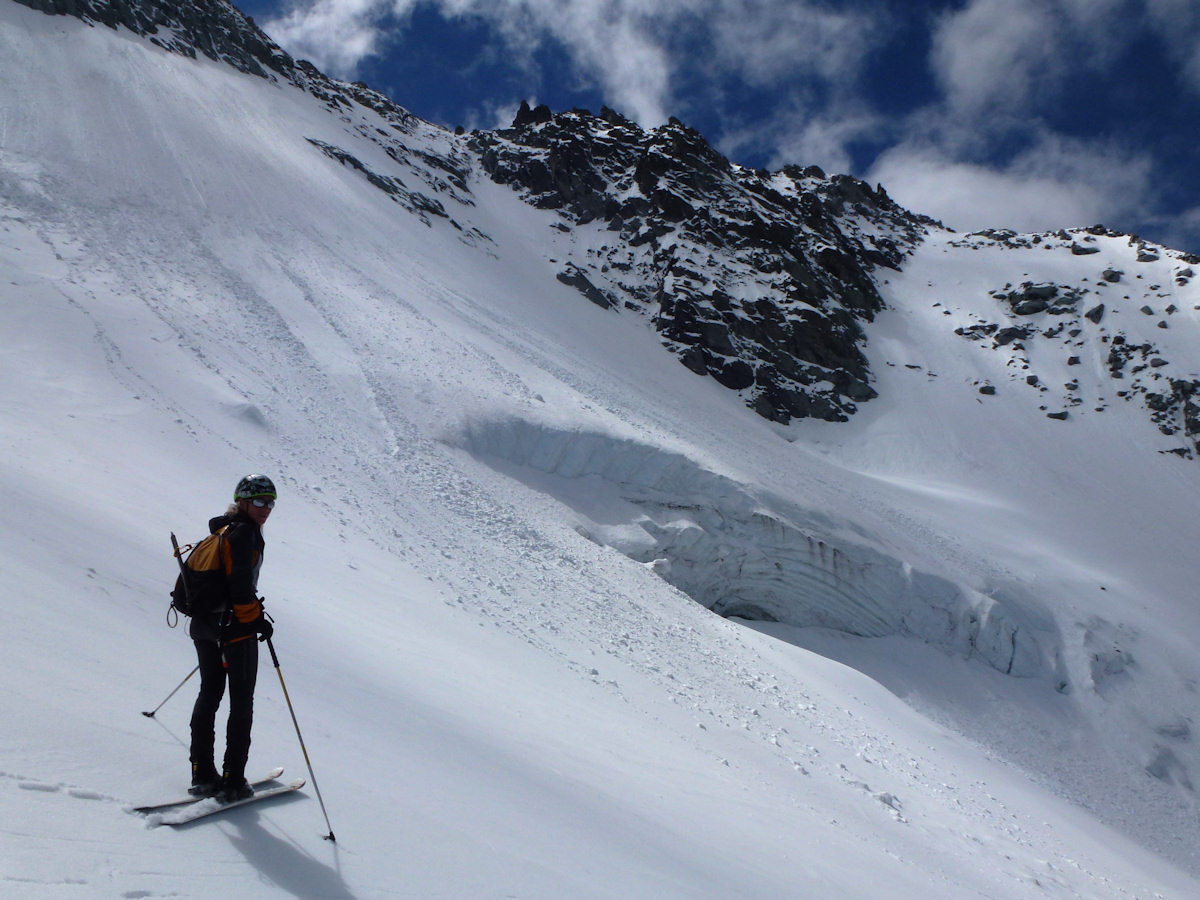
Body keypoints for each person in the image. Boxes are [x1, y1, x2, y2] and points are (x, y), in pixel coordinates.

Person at [188, 474, 276, 801]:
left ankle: (202, 773)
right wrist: (257, 622)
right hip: (234, 631)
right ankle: (233, 780)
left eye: (270, 502)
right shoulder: (245, 535)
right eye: (259, 501)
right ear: (243, 501)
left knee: (209, 693)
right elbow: (240, 589)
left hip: (203, 625)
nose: (265, 508)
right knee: (241, 703)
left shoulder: (222, 529)